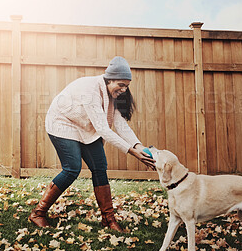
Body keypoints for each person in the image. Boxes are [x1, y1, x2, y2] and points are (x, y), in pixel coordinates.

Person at [28, 56, 155, 232]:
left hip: (86, 127)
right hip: (62, 122)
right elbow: (104, 130)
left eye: (127, 85)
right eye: (121, 84)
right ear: (110, 79)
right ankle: (38, 213)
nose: (124, 89)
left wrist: (139, 146)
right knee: (72, 168)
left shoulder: (113, 95)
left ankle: (108, 220)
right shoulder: (90, 89)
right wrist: (132, 152)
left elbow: (120, 125)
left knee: (100, 166)